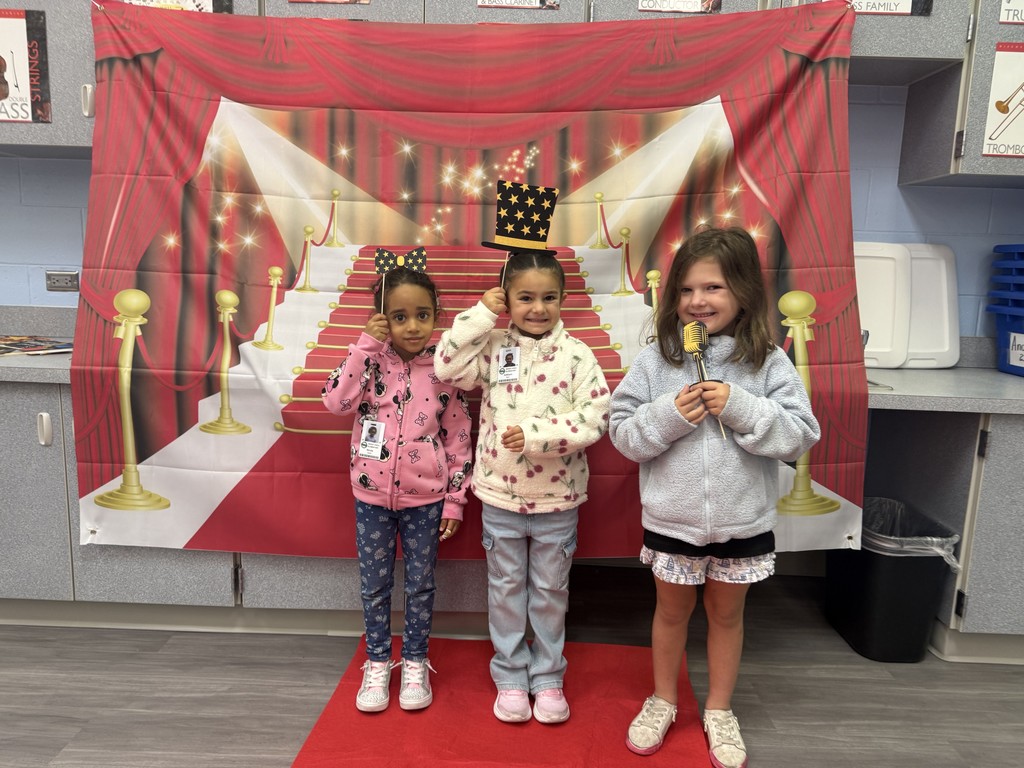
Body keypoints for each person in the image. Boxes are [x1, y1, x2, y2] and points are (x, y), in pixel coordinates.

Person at [608, 227, 820, 767]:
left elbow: (800, 435)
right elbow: (624, 434)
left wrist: (743, 407)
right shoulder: (657, 362)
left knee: (727, 617)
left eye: (714, 288)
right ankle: (662, 699)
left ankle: (720, 708)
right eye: (686, 290)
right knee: (670, 613)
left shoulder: (768, 362)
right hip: (672, 521)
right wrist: (669, 415)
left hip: (741, 522)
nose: (697, 302)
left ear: (744, 292)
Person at [435, 250, 611, 725]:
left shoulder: (577, 354)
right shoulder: (492, 344)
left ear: (563, 299)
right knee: (506, 588)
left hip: (558, 499)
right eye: (525, 298)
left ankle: (549, 676)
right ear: (507, 299)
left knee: (550, 590)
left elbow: (595, 417)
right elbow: (447, 368)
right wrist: (480, 315)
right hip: (499, 497)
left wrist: (536, 437)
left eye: (549, 297)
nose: (538, 308)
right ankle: (511, 675)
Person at [322, 264, 473, 714]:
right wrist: (366, 347)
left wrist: (455, 501)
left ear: (436, 316)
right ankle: (376, 661)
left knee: (421, 585)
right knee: (374, 585)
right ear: (382, 318)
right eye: (399, 316)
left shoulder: (445, 371)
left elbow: (460, 440)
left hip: (426, 501)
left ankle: (414, 660)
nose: (412, 326)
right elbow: (335, 402)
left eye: (422, 315)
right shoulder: (368, 362)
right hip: (371, 499)